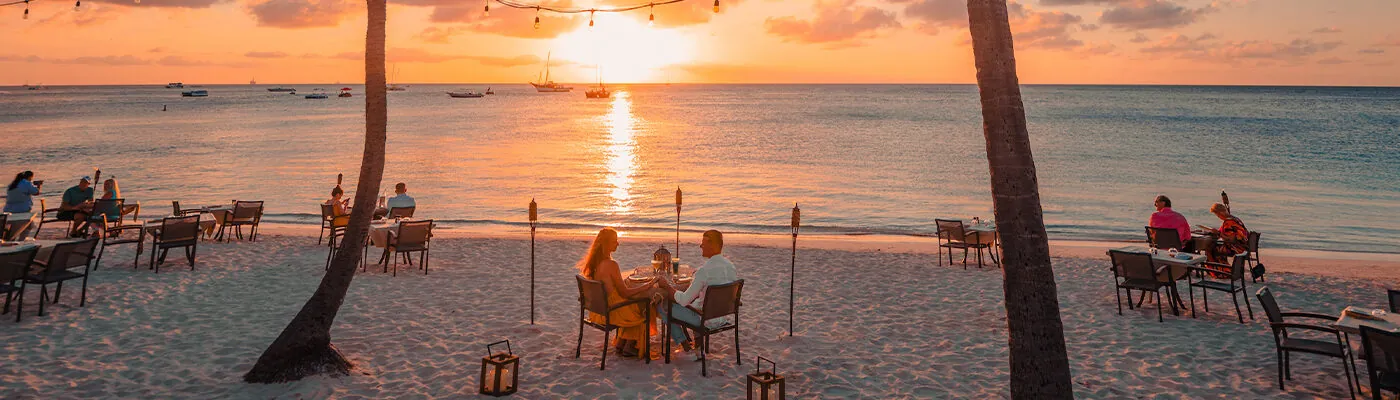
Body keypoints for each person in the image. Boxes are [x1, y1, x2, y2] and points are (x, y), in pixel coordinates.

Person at [578, 228, 658, 358]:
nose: (618, 244)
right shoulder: (611, 264)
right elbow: (625, 293)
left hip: (597, 312)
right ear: (606, 244)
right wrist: (646, 286)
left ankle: (622, 342)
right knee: (644, 306)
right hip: (611, 312)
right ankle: (631, 346)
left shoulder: (595, 263)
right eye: (614, 241)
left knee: (633, 305)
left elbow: (614, 287)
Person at [657, 230, 738, 355]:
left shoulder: (704, 271)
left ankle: (685, 345)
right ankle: (698, 343)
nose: (701, 247)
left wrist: (667, 286)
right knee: (697, 301)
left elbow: (684, 300)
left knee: (663, 305)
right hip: (721, 316)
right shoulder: (731, 266)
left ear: (713, 245)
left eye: (703, 244)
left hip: (705, 319)